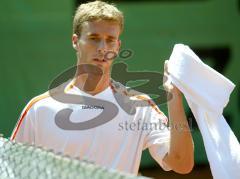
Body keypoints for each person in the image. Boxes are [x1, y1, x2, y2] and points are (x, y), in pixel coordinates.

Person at [10, 0, 194, 175]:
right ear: (75, 41)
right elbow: (11, 171)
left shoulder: (140, 107)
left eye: (110, 40)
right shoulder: (39, 108)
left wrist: (174, 97)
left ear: (118, 46)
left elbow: (181, 163)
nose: (102, 48)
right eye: (94, 38)